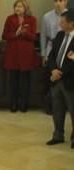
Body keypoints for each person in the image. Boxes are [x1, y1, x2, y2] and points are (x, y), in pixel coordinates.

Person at [3, 0, 39, 113]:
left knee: (25, 81)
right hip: (13, 53)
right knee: (13, 80)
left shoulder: (32, 19)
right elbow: (4, 35)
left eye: (20, 6)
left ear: (25, 8)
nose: (18, 8)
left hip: (26, 54)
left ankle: (24, 103)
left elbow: (34, 37)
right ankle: (13, 103)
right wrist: (16, 34)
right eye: (16, 6)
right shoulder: (10, 18)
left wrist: (24, 33)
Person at [46, 9, 74, 147]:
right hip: (56, 80)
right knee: (57, 109)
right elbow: (51, 56)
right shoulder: (59, 35)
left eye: (62, 22)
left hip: (70, 81)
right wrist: (53, 70)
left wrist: (60, 72)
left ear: (71, 23)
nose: (60, 24)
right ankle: (58, 135)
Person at [42, 0, 68, 114]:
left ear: (66, 2)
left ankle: (66, 106)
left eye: (61, 1)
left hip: (67, 49)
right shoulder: (47, 16)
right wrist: (43, 54)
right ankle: (50, 106)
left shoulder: (71, 14)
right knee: (50, 80)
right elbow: (43, 36)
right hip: (51, 48)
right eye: (56, 1)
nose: (58, 3)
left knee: (64, 79)